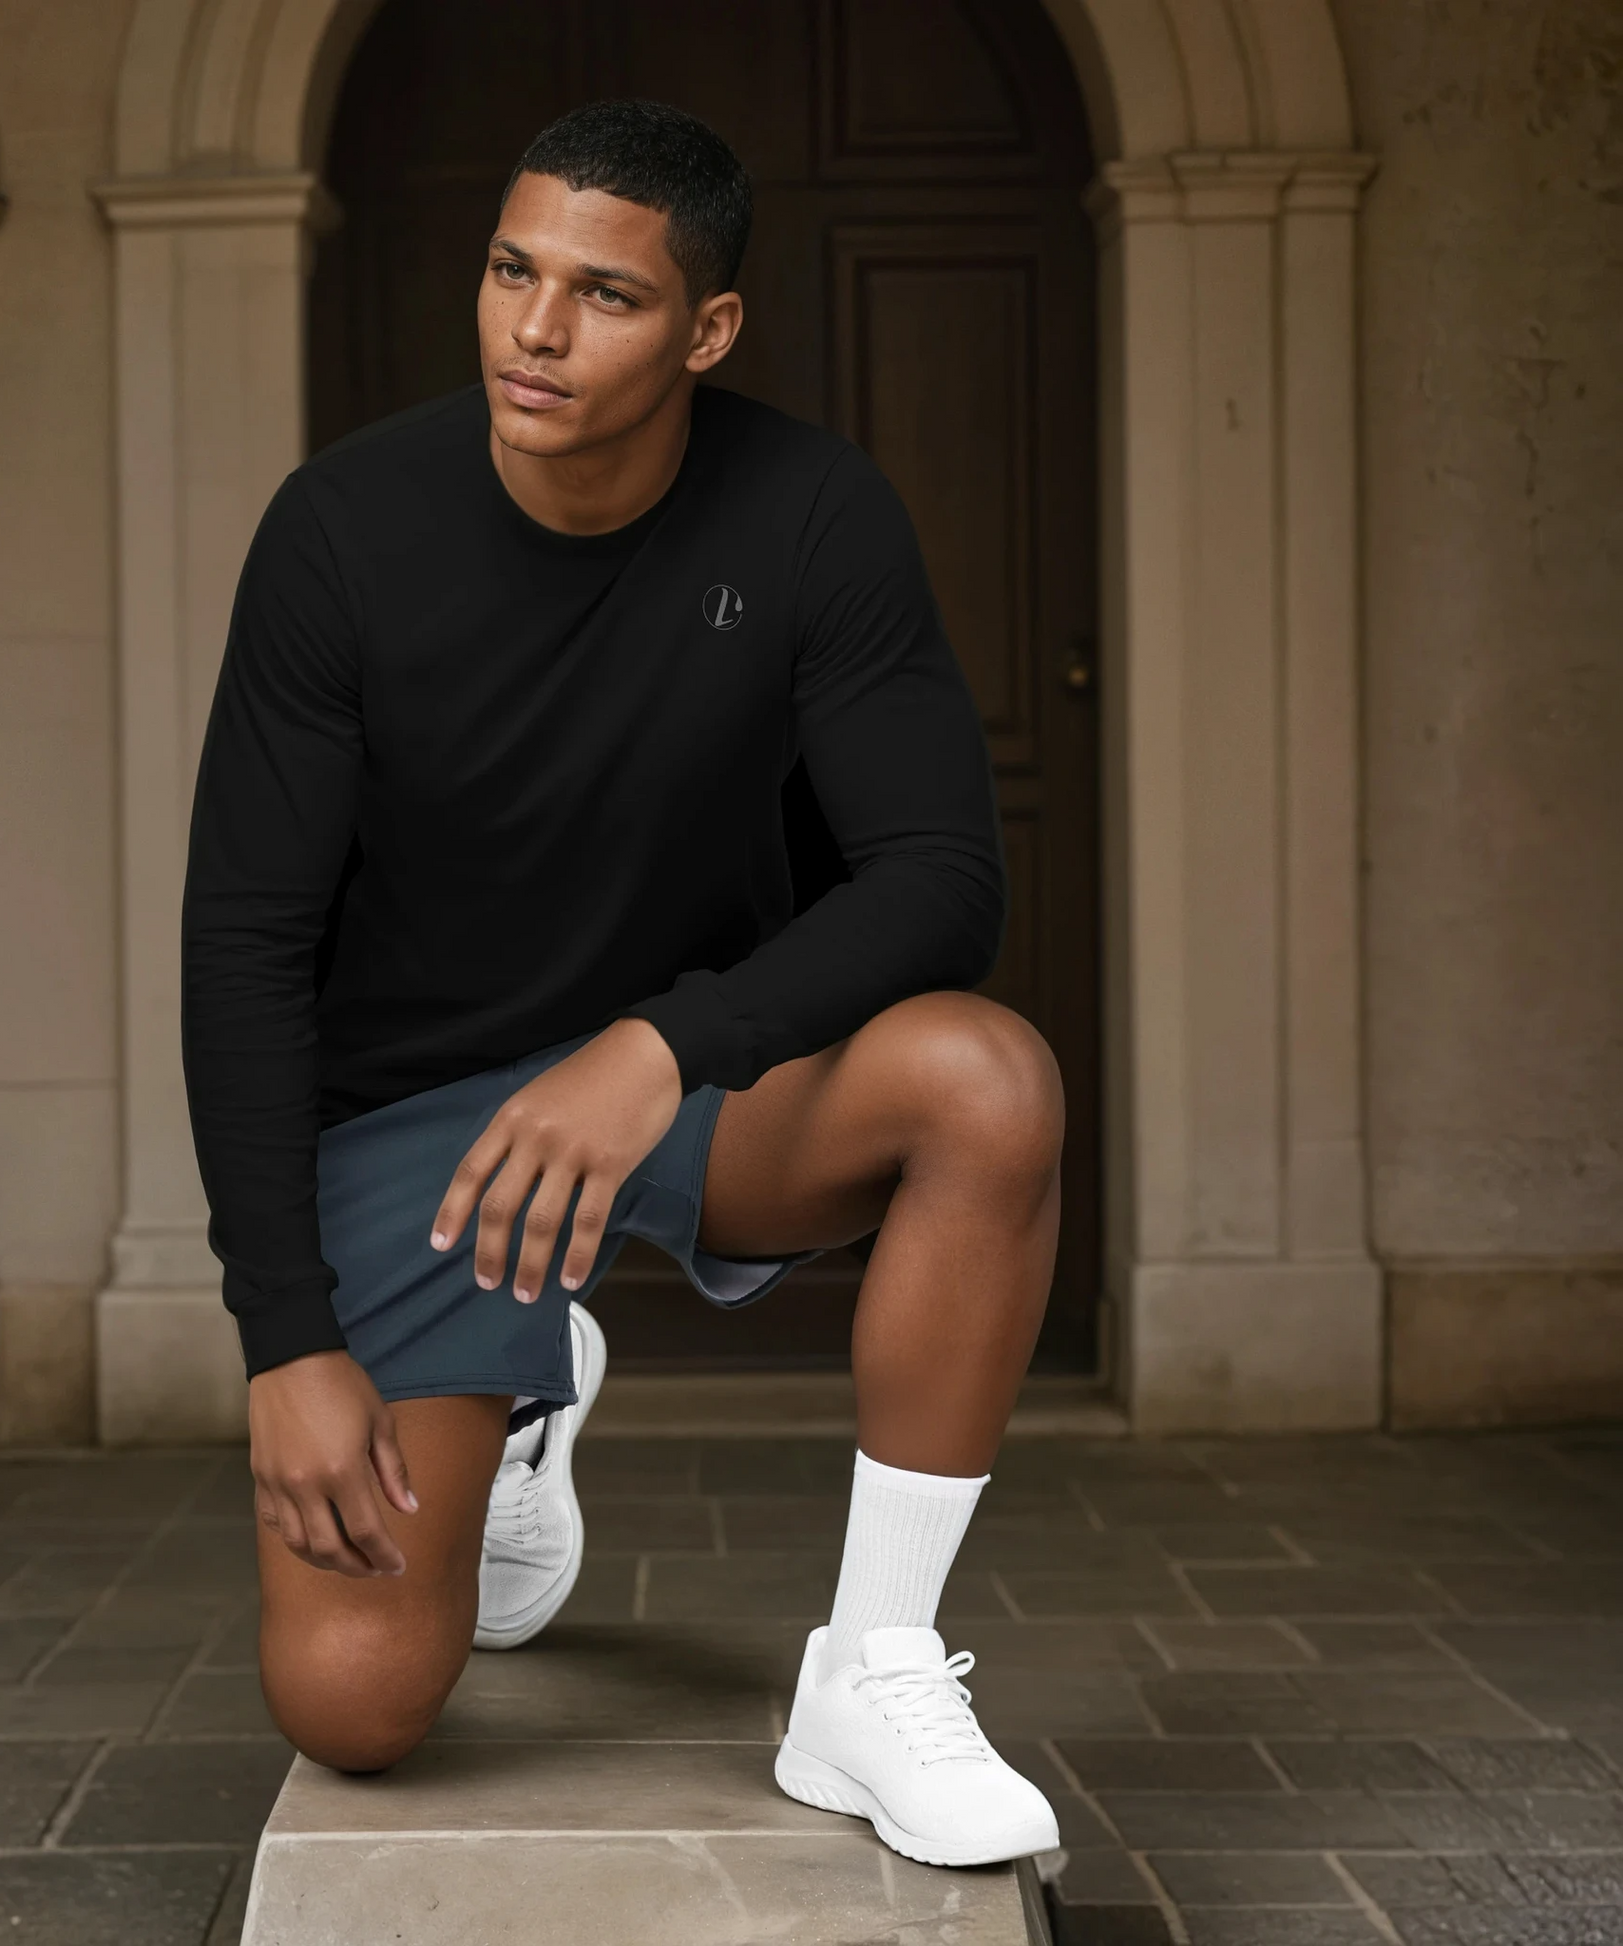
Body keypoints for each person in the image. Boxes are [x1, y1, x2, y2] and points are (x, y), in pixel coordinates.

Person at [182, 97, 1063, 1869]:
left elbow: (941, 877)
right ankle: (523, 1391)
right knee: (352, 1706)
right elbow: (244, 944)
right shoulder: (339, 534)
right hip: (415, 1137)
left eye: (604, 294)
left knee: (988, 1077)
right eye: (513, 271)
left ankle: (871, 1666)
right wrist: (283, 1334)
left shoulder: (812, 512)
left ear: (707, 329)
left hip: (692, 1091)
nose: (533, 328)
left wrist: (667, 1043)